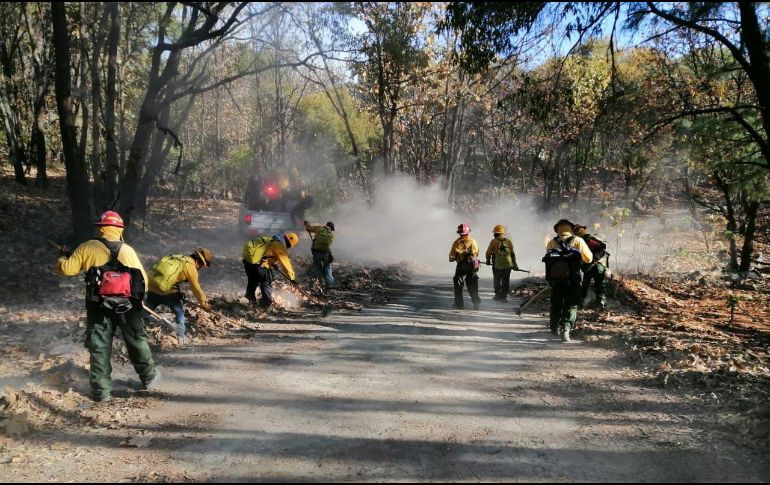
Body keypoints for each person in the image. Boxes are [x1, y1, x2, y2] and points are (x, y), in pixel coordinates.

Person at [55, 211, 159, 402]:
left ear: (100, 228)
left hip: (98, 306)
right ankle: (149, 378)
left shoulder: (87, 247)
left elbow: (67, 269)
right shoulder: (127, 250)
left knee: (99, 346)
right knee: (136, 340)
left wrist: (62, 258)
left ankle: (101, 391)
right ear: (119, 229)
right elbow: (143, 280)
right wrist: (137, 299)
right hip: (128, 305)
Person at [145, 248, 213, 346]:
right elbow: (196, 288)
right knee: (179, 313)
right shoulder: (191, 267)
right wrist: (204, 304)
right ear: (199, 261)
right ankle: (181, 338)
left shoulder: (178, 258)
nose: (201, 267)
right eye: (202, 265)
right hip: (167, 291)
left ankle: (137, 330)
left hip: (152, 286)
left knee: (146, 311)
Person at [543, 219, 593, 342]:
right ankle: (566, 328)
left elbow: (548, 261)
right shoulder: (578, 240)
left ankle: (554, 327)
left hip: (556, 280)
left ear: (557, 230)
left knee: (556, 302)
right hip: (573, 279)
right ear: (571, 229)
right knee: (571, 304)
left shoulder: (551, 242)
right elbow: (589, 259)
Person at [242, 232, 299, 312]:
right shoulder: (279, 246)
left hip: (248, 262)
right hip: (258, 265)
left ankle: (250, 300)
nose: (288, 248)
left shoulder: (271, 240)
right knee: (267, 278)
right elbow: (286, 264)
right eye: (289, 246)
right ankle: (266, 303)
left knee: (253, 280)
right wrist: (292, 278)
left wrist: (272, 264)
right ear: (289, 243)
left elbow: (265, 254)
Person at [573, 224, 609, 310]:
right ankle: (599, 302)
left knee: (589, 284)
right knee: (595, 284)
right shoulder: (583, 240)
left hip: (596, 264)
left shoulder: (587, 239)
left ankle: (584, 303)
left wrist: (593, 259)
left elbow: (602, 246)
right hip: (593, 265)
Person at [449, 223, 481, 310]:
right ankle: (476, 303)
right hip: (472, 266)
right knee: (473, 285)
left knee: (458, 284)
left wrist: (457, 256)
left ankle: (459, 304)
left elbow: (451, 258)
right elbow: (476, 253)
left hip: (461, 266)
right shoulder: (473, 241)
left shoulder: (456, 243)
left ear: (459, 233)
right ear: (468, 232)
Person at [485, 224, 519, 302]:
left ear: (495, 233)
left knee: (497, 280)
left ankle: (498, 295)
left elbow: (488, 253)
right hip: (507, 265)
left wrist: (488, 260)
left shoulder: (493, 241)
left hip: (497, 265)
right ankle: (504, 297)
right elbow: (512, 254)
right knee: (506, 280)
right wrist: (514, 264)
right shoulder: (508, 241)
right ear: (502, 233)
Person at [304, 220, 336, 289]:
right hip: (326, 253)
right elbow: (328, 245)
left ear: (326, 225)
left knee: (317, 267)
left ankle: (320, 282)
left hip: (316, 252)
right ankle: (330, 283)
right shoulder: (331, 235)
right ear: (331, 228)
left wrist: (307, 224)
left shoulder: (319, 228)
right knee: (327, 267)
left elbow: (308, 228)